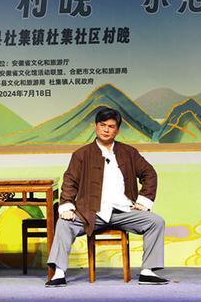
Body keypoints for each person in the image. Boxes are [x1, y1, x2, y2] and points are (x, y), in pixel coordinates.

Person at [46, 107, 168, 287]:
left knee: (156, 222)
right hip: (90, 213)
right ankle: (59, 272)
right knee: (64, 223)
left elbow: (149, 173)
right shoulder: (81, 154)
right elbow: (70, 181)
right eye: (102, 125)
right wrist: (67, 206)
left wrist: (143, 201)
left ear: (117, 130)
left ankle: (147, 271)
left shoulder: (129, 152)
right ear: (96, 126)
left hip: (123, 211)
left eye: (111, 126)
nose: (106, 129)